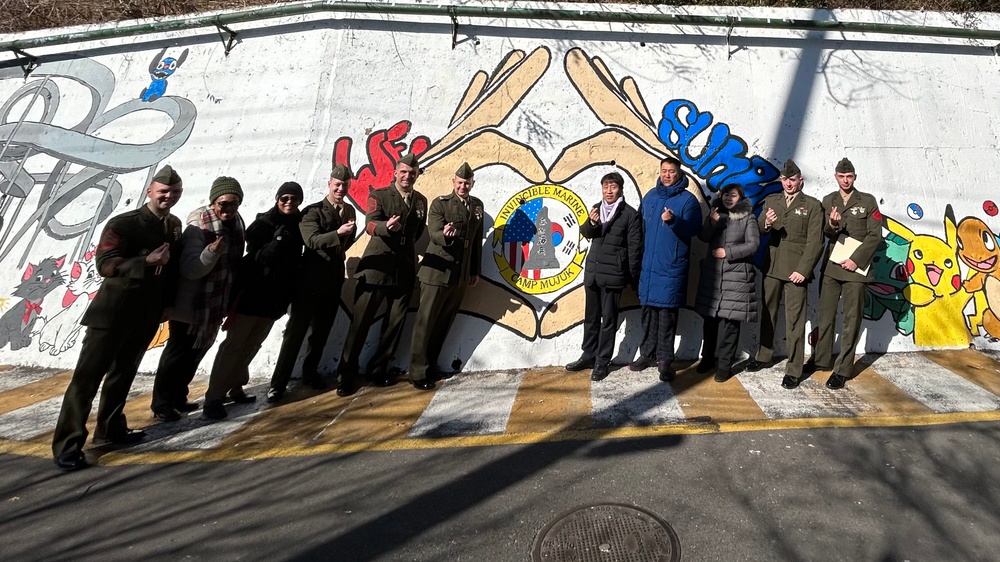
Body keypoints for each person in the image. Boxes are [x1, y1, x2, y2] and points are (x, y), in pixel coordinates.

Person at [51, 165, 184, 471]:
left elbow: (171, 271)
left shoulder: (173, 226)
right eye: (163, 191)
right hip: (111, 314)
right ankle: (68, 444)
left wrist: (165, 305)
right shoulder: (124, 223)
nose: (169, 197)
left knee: (123, 375)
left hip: (146, 314)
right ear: (150, 191)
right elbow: (105, 264)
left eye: (174, 192)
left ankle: (111, 429)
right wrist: (145, 261)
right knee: (86, 380)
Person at [203, 181, 305, 418]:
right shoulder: (263, 224)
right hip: (252, 295)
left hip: (275, 300)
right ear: (277, 199)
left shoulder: (300, 224)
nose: (289, 203)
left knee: (252, 345)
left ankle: (235, 386)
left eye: (294, 199)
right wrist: (278, 242)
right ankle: (213, 398)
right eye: (285, 198)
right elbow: (258, 259)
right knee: (233, 346)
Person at [151, 177, 245, 421]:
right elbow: (190, 269)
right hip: (189, 302)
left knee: (195, 352)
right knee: (178, 352)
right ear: (214, 202)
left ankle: (178, 397)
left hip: (213, 302)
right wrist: (211, 252)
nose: (228, 210)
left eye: (234, 204)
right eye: (223, 204)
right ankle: (162, 403)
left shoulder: (236, 223)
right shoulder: (198, 226)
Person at [267, 165, 356, 401]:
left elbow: (344, 245)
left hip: (333, 280)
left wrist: (343, 236)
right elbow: (312, 240)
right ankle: (278, 384)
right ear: (329, 184)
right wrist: (338, 233)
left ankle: (310, 372)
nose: (340, 189)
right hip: (309, 282)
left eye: (345, 185)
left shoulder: (348, 211)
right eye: (337, 185)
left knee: (321, 332)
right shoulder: (313, 211)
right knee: (295, 334)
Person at [339, 153, 427, 389]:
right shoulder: (379, 195)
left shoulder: (420, 201)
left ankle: (379, 369)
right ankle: (346, 375)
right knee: (361, 322)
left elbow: (417, 232)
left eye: (412, 173)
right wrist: (385, 227)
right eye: (404, 172)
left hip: (404, 268)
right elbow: (369, 224)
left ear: (417, 175)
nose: (407, 176)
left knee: (394, 323)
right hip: (378, 265)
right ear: (395, 173)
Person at [745, 159, 823, 389]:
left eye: (793, 180)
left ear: (801, 181)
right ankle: (763, 355)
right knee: (768, 313)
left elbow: (815, 242)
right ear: (781, 180)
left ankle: (794, 369)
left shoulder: (812, 205)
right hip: (772, 266)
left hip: (796, 270)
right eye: (785, 180)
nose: (789, 184)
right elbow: (758, 228)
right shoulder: (772, 200)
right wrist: (767, 223)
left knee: (795, 321)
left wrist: (803, 270)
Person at [408, 162, 485, 390]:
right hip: (437, 273)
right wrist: (446, 236)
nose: (463, 186)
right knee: (425, 323)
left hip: (459, 276)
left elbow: (476, 243)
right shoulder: (440, 204)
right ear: (453, 183)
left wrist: (474, 271)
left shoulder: (477, 206)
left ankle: (430, 366)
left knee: (442, 324)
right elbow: (434, 233)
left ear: (472, 184)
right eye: (460, 182)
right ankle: (417, 373)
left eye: (467, 183)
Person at [806, 158, 882, 389]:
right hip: (832, 266)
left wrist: (856, 260)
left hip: (856, 269)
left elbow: (875, 235)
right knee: (826, 316)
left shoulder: (867, 201)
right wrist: (832, 223)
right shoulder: (829, 201)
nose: (845, 180)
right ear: (836, 177)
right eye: (841, 176)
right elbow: (825, 233)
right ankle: (820, 359)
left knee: (851, 320)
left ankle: (842, 369)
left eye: (849, 176)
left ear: (855, 177)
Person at [630, 157, 703, 382]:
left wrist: (673, 221)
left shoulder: (688, 201)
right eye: (664, 171)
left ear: (679, 174)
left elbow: (693, 229)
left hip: (671, 269)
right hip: (649, 269)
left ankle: (665, 361)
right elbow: (639, 228)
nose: (667, 175)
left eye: (671, 171)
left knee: (667, 318)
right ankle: (647, 355)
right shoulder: (650, 197)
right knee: (648, 314)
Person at [565, 171, 643, 381]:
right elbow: (586, 233)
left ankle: (602, 361)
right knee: (591, 318)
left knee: (608, 320)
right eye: (606, 186)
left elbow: (635, 249)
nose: (609, 191)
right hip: (593, 273)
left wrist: (633, 277)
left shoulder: (630, 214)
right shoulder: (596, 209)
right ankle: (588, 355)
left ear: (620, 189)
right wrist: (592, 223)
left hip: (614, 275)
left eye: (613, 187)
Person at [693, 184, 760, 383]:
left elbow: (753, 244)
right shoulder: (716, 215)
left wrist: (728, 253)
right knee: (710, 322)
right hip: (713, 279)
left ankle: (724, 365)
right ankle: (707, 359)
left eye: (733, 195)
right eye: (725, 195)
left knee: (731, 325)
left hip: (736, 279)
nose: (728, 199)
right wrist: (711, 223)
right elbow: (704, 237)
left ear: (740, 198)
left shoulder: (748, 218)